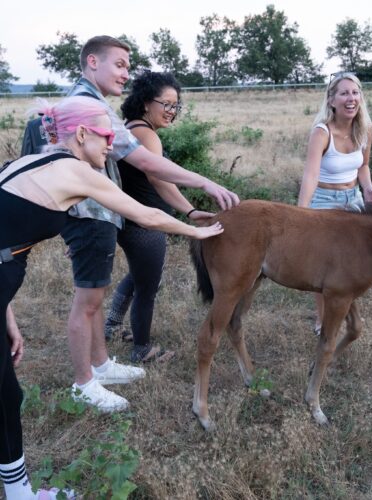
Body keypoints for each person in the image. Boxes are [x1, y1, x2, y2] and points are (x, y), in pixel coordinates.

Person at [0, 95, 223, 499]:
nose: (111, 145)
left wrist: (7, 315)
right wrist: (198, 232)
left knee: (8, 394)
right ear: (82, 134)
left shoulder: (26, 163)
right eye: (106, 136)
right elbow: (144, 214)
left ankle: (19, 493)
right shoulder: (74, 170)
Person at [21, 36, 239, 411]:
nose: (126, 73)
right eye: (119, 64)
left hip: (97, 212)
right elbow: (148, 164)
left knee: (96, 295)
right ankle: (84, 382)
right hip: (88, 211)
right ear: (92, 61)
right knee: (87, 301)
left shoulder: (87, 101)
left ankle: (102, 364)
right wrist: (203, 181)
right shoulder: (90, 108)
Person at [105, 71, 212, 362]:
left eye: (175, 105)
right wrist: (189, 210)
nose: (172, 111)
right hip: (144, 223)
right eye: (166, 104)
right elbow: (159, 180)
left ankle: (112, 325)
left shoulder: (132, 128)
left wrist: (187, 209)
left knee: (138, 276)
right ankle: (142, 348)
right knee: (148, 286)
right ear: (144, 102)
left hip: (130, 219)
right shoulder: (147, 135)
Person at [297, 72, 372, 336]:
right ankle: (322, 321)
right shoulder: (322, 132)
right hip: (323, 200)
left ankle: (347, 314)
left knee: (352, 263)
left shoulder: (365, 129)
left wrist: (368, 188)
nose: (351, 98)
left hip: (352, 200)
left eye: (355, 93)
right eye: (344, 93)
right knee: (322, 264)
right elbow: (310, 174)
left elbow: (363, 166)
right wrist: (302, 212)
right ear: (331, 100)